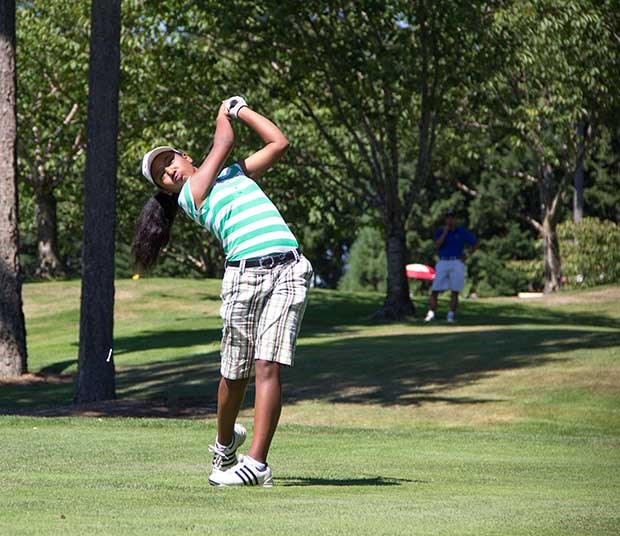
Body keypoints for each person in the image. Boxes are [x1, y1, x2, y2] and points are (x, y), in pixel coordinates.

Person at [133, 96, 313, 487]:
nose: (171, 172)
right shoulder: (190, 196)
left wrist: (243, 109)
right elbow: (224, 142)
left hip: (289, 269)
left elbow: (278, 143)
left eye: (171, 162)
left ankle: (257, 464)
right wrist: (223, 112)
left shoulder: (234, 175)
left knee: (268, 365)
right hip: (243, 279)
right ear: (166, 190)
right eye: (163, 174)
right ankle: (223, 443)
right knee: (235, 374)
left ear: (183, 155)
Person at [424, 210, 479, 323]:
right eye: (448, 218)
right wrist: (445, 233)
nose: (450, 220)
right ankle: (431, 313)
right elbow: (436, 245)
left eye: (452, 218)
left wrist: (466, 255)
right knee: (435, 288)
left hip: (456, 262)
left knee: (455, 289)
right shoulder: (440, 231)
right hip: (443, 261)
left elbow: (475, 243)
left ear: (456, 219)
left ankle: (451, 315)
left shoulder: (461, 232)